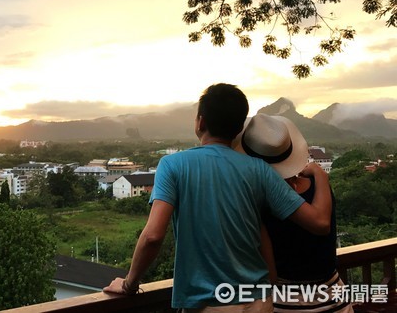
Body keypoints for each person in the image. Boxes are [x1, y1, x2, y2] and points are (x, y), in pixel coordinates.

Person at [103, 83, 332, 312]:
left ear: (200, 122)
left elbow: (153, 236)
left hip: (207, 303)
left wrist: (129, 284)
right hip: (259, 303)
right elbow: (319, 224)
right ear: (238, 128)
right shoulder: (259, 170)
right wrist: (320, 176)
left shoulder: (173, 165)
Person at [234, 113, 353, 312]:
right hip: (334, 297)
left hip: (286, 301)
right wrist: (320, 174)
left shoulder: (258, 201)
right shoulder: (319, 186)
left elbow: (269, 272)